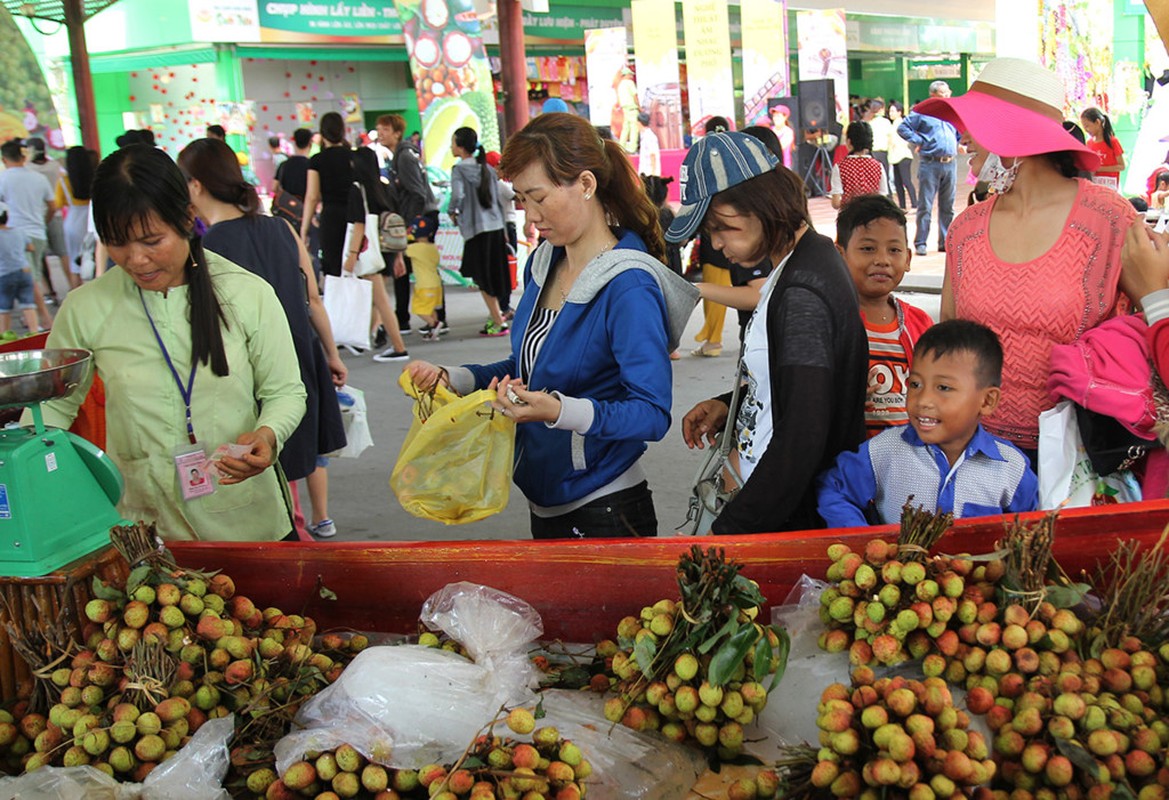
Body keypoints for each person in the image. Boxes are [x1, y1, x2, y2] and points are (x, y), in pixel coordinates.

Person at [406, 112, 699, 539]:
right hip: (543, 497)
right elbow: (531, 366)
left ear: (585, 184)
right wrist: (457, 378)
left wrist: (560, 411)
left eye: (539, 198)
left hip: (606, 506)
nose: (530, 216)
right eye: (522, 200)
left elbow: (652, 414)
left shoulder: (628, 285)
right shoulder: (543, 263)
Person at [32, 145, 306, 542]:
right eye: (117, 242)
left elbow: (286, 392)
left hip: (249, 525)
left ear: (187, 219)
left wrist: (267, 434)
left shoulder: (246, 294)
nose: (136, 259)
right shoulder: (86, 308)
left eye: (151, 240)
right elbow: (52, 409)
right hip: (144, 529)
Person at [928, 57, 1136, 462]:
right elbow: (949, 342)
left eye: (971, 125)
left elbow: (1152, 325)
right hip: (977, 453)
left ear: (1010, 132)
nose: (963, 140)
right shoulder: (966, 230)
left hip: (1082, 454)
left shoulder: (1110, 219)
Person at [673, 132, 867, 534]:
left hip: (783, 520)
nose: (715, 242)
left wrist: (730, 534)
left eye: (720, 226)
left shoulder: (801, 291)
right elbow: (801, 387)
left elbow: (802, 436)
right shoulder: (802, 263)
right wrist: (733, 401)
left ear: (760, 204)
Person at [178, 136, 348, 539]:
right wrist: (332, 354)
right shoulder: (283, 228)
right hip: (300, 357)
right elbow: (312, 300)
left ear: (196, 185)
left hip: (251, 374)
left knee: (262, 469)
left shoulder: (206, 248)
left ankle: (291, 540)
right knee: (293, 455)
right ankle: (307, 529)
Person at [816, 320, 1038, 527]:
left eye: (943, 388)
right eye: (915, 384)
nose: (923, 400)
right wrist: (864, 541)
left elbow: (1029, 531)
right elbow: (835, 489)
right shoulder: (884, 451)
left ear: (987, 401)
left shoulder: (1011, 468)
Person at [836, 195, 932, 437]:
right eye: (868, 249)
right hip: (851, 460)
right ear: (840, 254)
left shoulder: (919, 323)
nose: (882, 260)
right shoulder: (831, 321)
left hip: (909, 457)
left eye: (894, 250)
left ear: (908, 258)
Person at [376, 114, 443, 335]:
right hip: (420, 216)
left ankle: (414, 318)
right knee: (418, 268)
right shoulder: (403, 155)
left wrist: (408, 224)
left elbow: (417, 192)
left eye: (385, 129)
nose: (380, 133)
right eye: (379, 129)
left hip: (418, 218)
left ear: (397, 132)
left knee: (407, 267)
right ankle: (429, 317)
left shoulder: (404, 156)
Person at [346, 147, 410, 361]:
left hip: (367, 251)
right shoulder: (383, 188)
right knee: (377, 297)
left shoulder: (357, 190)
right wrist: (399, 255)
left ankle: (399, 347)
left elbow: (359, 225)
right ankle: (369, 336)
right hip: (384, 249)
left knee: (380, 300)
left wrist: (352, 255)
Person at [449, 126, 510, 337]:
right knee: (493, 274)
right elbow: (496, 200)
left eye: (453, 142)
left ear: (460, 146)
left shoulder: (458, 170)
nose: (451, 146)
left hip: (476, 229)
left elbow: (457, 196)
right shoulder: (487, 169)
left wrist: (452, 211)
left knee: (481, 277)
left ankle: (497, 320)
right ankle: (497, 315)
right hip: (495, 226)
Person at [688, 116, 736, 358]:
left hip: (711, 233)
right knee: (717, 286)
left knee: (712, 288)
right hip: (730, 232)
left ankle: (714, 339)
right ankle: (711, 338)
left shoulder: (704, 163)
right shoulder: (737, 163)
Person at [897, 81, 958, 256]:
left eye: (948, 93)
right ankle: (921, 242)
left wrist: (958, 143)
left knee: (948, 206)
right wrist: (921, 140)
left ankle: (945, 241)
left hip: (950, 163)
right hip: (930, 163)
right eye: (943, 93)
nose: (947, 96)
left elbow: (958, 131)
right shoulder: (923, 112)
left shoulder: (951, 111)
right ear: (933, 95)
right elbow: (903, 128)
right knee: (925, 205)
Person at [0, 139, 55, 329]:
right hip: (38, 232)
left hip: (13, 234)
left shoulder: (3, 179)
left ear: (4, 159)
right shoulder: (38, 178)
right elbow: (52, 206)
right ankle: (37, 318)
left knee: (29, 279)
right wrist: (43, 223)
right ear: (23, 156)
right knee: (34, 276)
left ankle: (42, 319)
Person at [300, 113, 353, 283]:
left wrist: (305, 227)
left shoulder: (317, 161)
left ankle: (338, 306)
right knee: (355, 266)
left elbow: (312, 196)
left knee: (333, 267)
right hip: (355, 216)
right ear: (343, 131)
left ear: (322, 134)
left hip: (331, 217)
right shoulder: (354, 157)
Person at [57, 146, 93, 290]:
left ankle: (75, 295)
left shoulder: (64, 181)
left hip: (73, 220)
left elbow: (58, 203)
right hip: (91, 218)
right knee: (92, 257)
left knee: (75, 262)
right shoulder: (96, 177)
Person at [830, 122, 888, 209]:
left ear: (849, 142)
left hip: (849, 218)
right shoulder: (878, 166)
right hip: (873, 217)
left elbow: (836, 204)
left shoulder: (840, 167)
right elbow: (883, 198)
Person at [0, 202, 38, 332]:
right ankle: (34, 333)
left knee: (4, 308)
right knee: (28, 305)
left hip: (4, 274)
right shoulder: (19, 232)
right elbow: (31, 247)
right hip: (24, 271)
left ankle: (4, 338)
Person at [407, 218, 443, 341]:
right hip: (436, 283)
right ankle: (433, 332)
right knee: (431, 309)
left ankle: (434, 324)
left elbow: (401, 250)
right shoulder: (433, 247)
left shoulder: (415, 248)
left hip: (424, 284)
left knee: (419, 309)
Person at [1081, 107, 1125, 190]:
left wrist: (1100, 168)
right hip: (1095, 184)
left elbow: (1121, 166)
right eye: (1084, 127)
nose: (1086, 130)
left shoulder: (1113, 142)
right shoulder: (1089, 143)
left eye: (1087, 126)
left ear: (1097, 122)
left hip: (1110, 184)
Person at [887, 101, 917, 211]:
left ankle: (915, 204)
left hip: (903, 156)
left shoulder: (902, 124)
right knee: (898, 182)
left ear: (899, 112)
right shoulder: (893, 124)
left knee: (906, 181)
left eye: (893, 111)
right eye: (890, 111)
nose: (891, 113)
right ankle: (902, 206)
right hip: (895, 157)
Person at [864, 99, 894, 199]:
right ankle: (888, 199)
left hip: (872, 153)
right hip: (883, 152)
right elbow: (891, 138)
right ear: (881, 109)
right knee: (885, 177)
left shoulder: (869, 123)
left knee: (874, 178)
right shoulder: (886, 122)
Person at [637, 111, 661, 177]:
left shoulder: (649, 136)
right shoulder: (644, 135)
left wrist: (653, 174)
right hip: (645, 172)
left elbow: (652, 154)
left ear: (639, 123)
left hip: (649, 172)